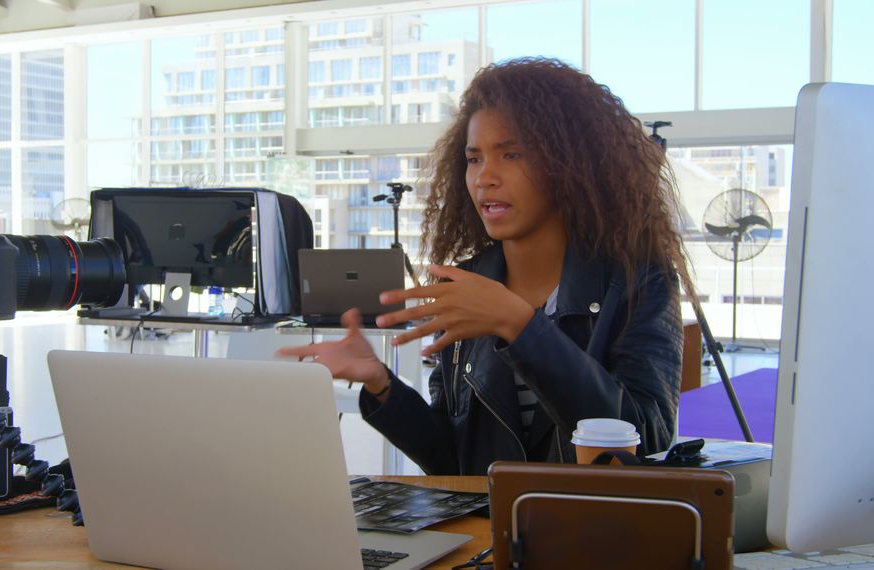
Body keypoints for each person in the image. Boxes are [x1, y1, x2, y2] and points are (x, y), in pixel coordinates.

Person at [278, 57, 695, 475]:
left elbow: (646, 440)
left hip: (587, 533)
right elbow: (454, 463)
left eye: (511, 154)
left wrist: (520, 326)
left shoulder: (636, 282)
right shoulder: (465, 285)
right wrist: (381, 385)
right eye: (474, 158)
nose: (484, 177)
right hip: (488, 535)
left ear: (572, 164)